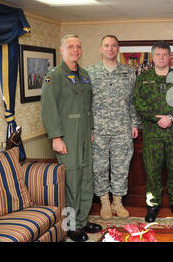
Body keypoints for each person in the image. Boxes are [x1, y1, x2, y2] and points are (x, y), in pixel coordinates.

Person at [41, 34, 102, 242]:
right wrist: (56, 137)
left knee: (86, 178)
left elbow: (88, 106)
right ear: (62, 50)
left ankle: (83, 221)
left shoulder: (84, 74)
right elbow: (48, 110)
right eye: (71, 46)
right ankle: (70, 226)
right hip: (67, 136)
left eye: (78, 46)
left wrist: (91, 129)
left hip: (85, 134)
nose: (75, 50)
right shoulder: (54, 76)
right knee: (70, 182)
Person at [132, 41, 173, 223]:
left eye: (165, 55)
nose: (161, 58)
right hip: (152, 135)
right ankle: (152, 206)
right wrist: (157, 118)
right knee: (152, 172)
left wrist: (170, 117)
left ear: (170, 57)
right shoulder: (143, 78)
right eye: (158, 55)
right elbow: (138, 103)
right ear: (152, 57)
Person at [87, 35, 141, 220]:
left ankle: (118, 202)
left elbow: (133, 102)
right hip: (99, 130)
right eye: (107, 45)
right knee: (99, 167)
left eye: (114, 46)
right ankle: (104, 202)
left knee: (121, 167)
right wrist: (89, 129)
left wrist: (135, 123)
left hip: (122, 128)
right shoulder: (90, 72)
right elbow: (85, 103)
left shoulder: (129, 72)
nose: (110, 48)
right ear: (101, 49)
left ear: (118, 49)